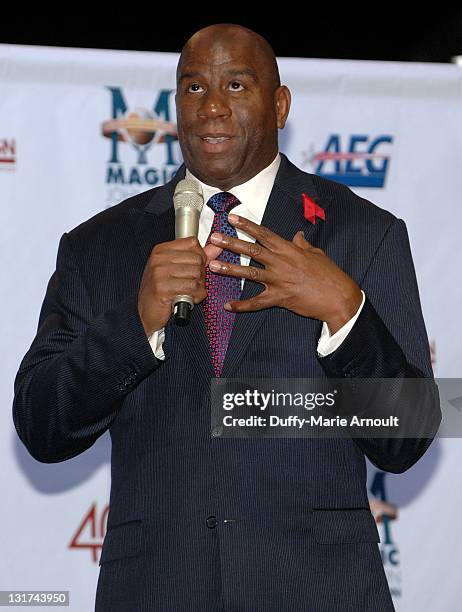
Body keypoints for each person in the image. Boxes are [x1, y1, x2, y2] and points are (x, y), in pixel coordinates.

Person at [13, 24, 440, 612]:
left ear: (280, 103)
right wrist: (136, 326)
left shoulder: (361, 232)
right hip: (159, 591)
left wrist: (346, 311)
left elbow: (410, 437)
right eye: (193, 87)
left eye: (236, 84)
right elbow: (40, 424)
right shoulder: (100, 246)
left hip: (317, 594)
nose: (211, 107)